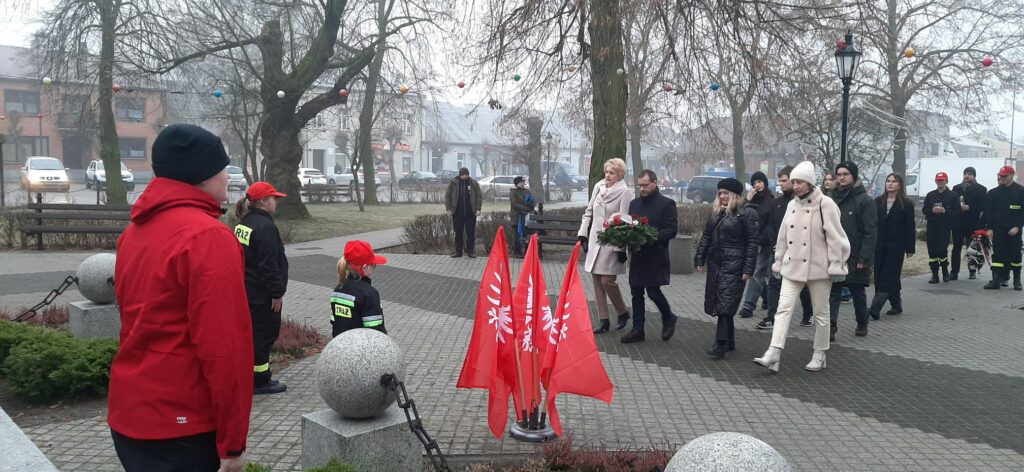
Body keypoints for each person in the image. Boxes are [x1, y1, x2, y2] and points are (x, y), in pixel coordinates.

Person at [110, 124, 251, 472]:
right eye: (222, 167)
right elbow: (224, 349)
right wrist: (232, 444)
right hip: (184, 424)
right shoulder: (208, 237)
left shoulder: (134, 233)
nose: (227, 176)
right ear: (202, 175)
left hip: (130, 413)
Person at [754, 161, 850, 373]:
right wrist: (779, 260)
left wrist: (837, 264)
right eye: (793, 181)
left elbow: (837, 237)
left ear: (809, 183)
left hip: (819, 269)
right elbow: (783, 236)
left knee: (821, 314)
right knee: (783, 309)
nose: (794, 186)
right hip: (792, 267)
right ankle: (773, 352)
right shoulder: (791, 205)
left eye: (799, 182)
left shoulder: (826, 204)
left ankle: (819, 353)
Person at [235, 181, 289, 395]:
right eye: (274, 199)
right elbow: (268, 265)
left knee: (252, 334)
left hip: (248, 289)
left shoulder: (245, 223)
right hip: (262, 293)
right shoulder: (265, 227)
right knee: (264, 334)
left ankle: (249, 376)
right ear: (263, 202)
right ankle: (260, 380)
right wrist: (276, 293)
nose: (276, 203)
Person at [694, 177, 757, 357]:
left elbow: (752, 243)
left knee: (725, 304)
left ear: (735, 195)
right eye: (720, 193)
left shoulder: (746, 213)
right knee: (723, 302)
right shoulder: (716, 213)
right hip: (717, 264)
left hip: (734, 264)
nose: (722, 196)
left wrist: (747, 269)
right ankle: (728, 340)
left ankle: (720, 343)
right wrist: (700, 258)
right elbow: (706, 236)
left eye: (726, 193)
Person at [621, 169, 679, 343]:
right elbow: (629, 226)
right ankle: (638, 330)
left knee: (653, 292)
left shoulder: (667, 204)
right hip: (638, 254)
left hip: (656, 254)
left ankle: (668, 317)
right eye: (639, 185)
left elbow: (671, 229)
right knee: (636, 292)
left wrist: (652, 237)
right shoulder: (634, 204)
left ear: (655, 182)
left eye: (645, 185)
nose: (642, 189)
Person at [578, 158, 633, 333]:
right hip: (596, 239)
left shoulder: (625, 192)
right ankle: (603, 320)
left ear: (620, 175)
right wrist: (583, 234)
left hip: (612, 241)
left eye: (612, 173)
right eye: (607, 172)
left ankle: (622, 311)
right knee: (596, 280)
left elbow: (624, 219)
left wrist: (620, 248)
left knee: (607, 280)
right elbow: (589, 212)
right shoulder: (598, 186)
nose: (608, 175)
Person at [759, 166, 814, 331]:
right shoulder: (777, 203)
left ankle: (808, 313)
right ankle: (772, 317)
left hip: (799, 251)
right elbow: (771, 225)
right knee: (774, 283)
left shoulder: (804, 202)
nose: (781, 184)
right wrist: (774, 242)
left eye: (785, 180)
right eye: (780, 180)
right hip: (778, 250)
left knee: (802, 284)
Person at [829, 161, 877, 339]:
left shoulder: (864, 200)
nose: (841, 177)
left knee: (857, 292)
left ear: (854, 176)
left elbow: (870, 231)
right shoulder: (831, 199)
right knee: (833, 293)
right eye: (839, 174)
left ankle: (862, 322)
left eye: (845, 174)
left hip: (856, 254)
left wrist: (864, 257)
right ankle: (831, 327)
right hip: (835, 254)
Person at [868, 174, 915, 319]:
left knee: (888, 275)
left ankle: (875, 308)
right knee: (882, 273)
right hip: (880, 244)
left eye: (894, 181)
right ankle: (896, 304)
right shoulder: (878, 202)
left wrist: (910, 248)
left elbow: (910, 226)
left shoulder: (906, 204)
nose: (890, 184)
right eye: (888, 181)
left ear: (899, 185)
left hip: (896, 245)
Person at [331, 240, 389, 336]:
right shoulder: (369, 293)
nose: (374, 269)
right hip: (363, 348)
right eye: (373, 265)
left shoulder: (338, 290)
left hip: (341, 345)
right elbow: (376, 331)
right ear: (365, 268)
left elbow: (335, 322)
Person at [738, 171, 774, 318]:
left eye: (759, 182)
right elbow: (740, 217)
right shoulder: (750, 201)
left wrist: (760, 241)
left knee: (756, 271)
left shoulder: (771, 200)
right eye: (754, 183)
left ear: (765, 183)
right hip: (748, 242)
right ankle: (765, 297)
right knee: (755, 272)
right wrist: (747, 200)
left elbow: (770, 224)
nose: (757, 185)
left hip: (763, 243)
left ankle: (748, 305)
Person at [983, 166, 1024, 290]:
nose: (1002, 178)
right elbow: (989, 212)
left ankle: (1017, 281)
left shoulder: (1021, 191)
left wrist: (1017, 226)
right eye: (1001, 176)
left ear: (1012, 175)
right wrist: (989, 228)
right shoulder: (993, 193)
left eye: (1005, 176)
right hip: (998, 229)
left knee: (1015, 255)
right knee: (998, 255)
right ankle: (996, 280)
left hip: (1014, 230)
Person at [922, 172, 961, 283]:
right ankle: (934, 274)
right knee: (932, 250)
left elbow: (957, 212)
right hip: (932, 225)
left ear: (946, 181)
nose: (940, 182)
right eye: (938, 180)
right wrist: (932, 211)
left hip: (945, 225)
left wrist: (945, 211)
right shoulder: (930, 195)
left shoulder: (953, 195)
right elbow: (925, 209)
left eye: (942, 180)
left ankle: (944, 270)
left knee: (941, 249)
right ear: (935, 181)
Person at [951, 167, 987, 279]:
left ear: (974, 176)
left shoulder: (981, 189)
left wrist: (970, 207)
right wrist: (958, 207)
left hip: (972, 223)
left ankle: (972, 270)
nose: (967, 176)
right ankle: (954, 272)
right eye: (965, 174)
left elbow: (984, 206)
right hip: (958, 223)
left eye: (970, 174)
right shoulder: (956, 188)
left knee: (971, 248)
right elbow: (952, 203)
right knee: (956, 248)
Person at [445, 167, 483, 258]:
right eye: (463, 175)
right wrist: (448, 208)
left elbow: (479, 196)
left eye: (466, 174)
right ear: (460, 174)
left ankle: (470, 251)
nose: (465, 176)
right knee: (458, 233)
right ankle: (458, 252)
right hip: (457, 213)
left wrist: (478, 209)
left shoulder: (473, 183)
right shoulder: (453, 183)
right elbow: (448, 196)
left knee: (470, 233)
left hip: (471, 213)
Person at [509, 176, 536, 257]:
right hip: (517, 216)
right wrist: (526, 208)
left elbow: (533, 200)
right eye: (522, 182)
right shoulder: (513, 192)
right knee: (517, 235)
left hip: (526, 216)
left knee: (527, 233)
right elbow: (514, 204)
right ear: (518, 183)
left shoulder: (527, 191)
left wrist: (531, 204)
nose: (523, 183)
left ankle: (527, 251)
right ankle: (517, 252)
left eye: (524, 182)